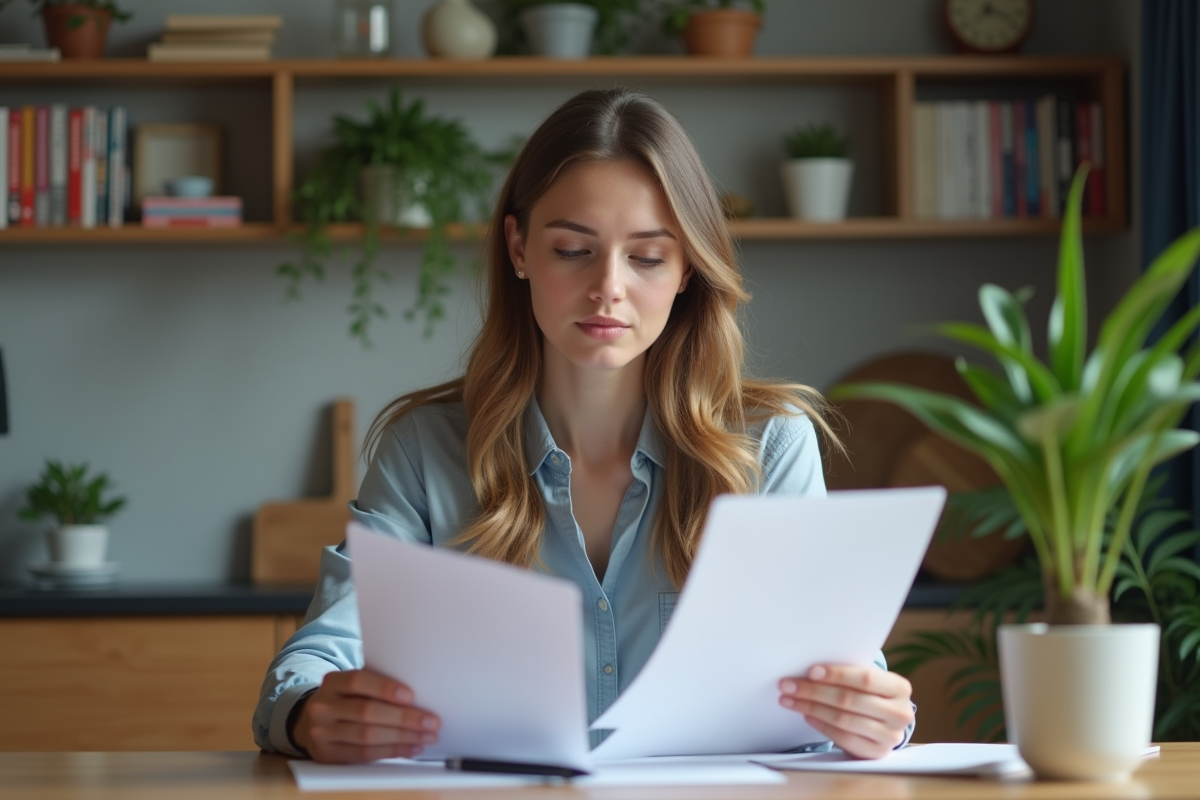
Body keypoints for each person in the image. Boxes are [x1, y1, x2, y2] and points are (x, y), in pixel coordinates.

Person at [253, 88, 915, 764]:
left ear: (687, 268)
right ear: (519, 247)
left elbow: (842, 672)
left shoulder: (770, 445)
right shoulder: (424, 450)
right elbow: (317, 657)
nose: (608, 288)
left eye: (647, 257)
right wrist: (308, 715)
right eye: (573, 250)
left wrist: (872, 716)